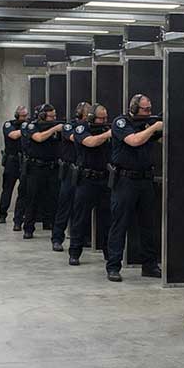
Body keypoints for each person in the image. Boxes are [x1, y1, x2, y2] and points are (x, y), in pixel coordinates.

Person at [105, 94, 163, 282]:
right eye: (145, 109)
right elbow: (134, 141)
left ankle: (149, 265)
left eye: (150, 109)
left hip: (145, 180)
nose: (149, 112)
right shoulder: (121, 122)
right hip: (125, 180)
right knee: (119, 224)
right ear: (134, 108)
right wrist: (154, 127)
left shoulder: (146, 123)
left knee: (148, 225)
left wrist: (158, 127)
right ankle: (113, 266)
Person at [68, 103, 112, 266]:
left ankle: (108, 252)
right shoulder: (81, 129)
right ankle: (74, 252)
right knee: (80, 218)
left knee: (107, 219)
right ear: (92, 118)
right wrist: (109, 133)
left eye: (106, 118)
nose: (104, 121)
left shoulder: (105, 129)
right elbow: (91, 142)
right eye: (101, 118)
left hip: (104, 179)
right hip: (87, 179)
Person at [51, 102, 90, 252]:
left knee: (80, 208)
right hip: (70, 170)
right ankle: (57, 238)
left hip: (83, 171)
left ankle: (81, 238)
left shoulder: (89, 128)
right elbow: (77, 138)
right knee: (64, 206)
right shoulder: (69, 126)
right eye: (88, 114)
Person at [21, 104, 61, 240]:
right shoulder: (31, 126)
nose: (54, 119)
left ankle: (54, 229)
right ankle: (28, 228)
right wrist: (54, 129)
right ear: (42, 116)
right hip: (36, 167)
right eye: (51, 116)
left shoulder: (55, 127)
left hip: (52, 167)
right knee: (32, 199)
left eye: (55, 116)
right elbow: (39, 138)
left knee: (54, 200)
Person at [0, 105, 28, 228]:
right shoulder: (8, 124)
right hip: (12, 161)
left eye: (26, 116)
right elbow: (13, 135)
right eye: (23, 116)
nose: (25, 118)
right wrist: (27, 129)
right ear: (17, 116)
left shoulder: (27, 125)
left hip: (24, 161)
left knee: (23, 191)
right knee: (7, 189)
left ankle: (18, 219)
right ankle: (2, 214)